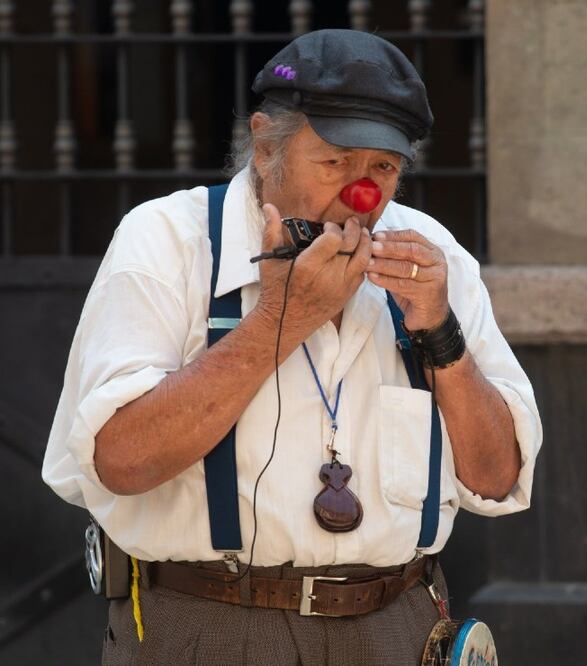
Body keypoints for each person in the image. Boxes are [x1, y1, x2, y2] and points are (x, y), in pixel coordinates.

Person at [41, 29, 541, 664]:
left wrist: (441, 336)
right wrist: (281, 319)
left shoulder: (433, 256)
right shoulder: (166, 241)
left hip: (400, 627)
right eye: (336, 162)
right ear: (265, 145)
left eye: (383, 168)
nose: (364, 195)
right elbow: (121, 461)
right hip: (209, 627)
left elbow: (496, 479)